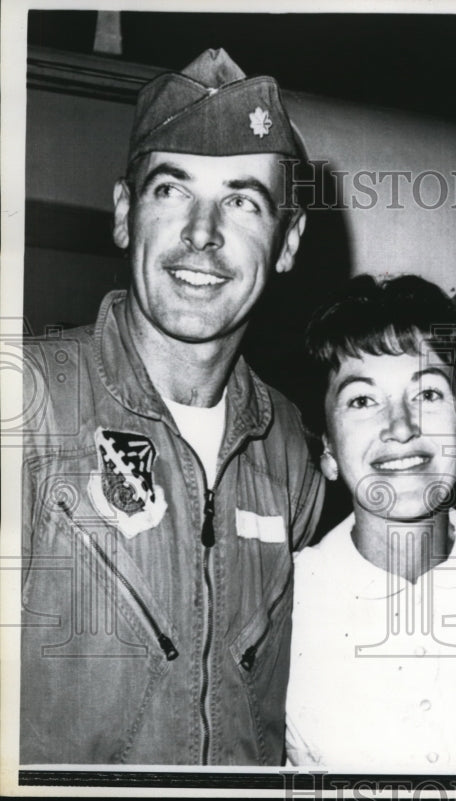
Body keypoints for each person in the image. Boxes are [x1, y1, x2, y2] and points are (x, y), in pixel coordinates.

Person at [19, 48, 324, 765]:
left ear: (288, 242)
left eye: (243, 201)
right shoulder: (28, 404)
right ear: (125, 213)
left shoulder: (291, 451)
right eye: (171, 191)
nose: (201, 234)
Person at [285, 274, 456, 769]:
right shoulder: (285, 595)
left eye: (427, 394)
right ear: (326, 449)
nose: (401, 428)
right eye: (362, 400)